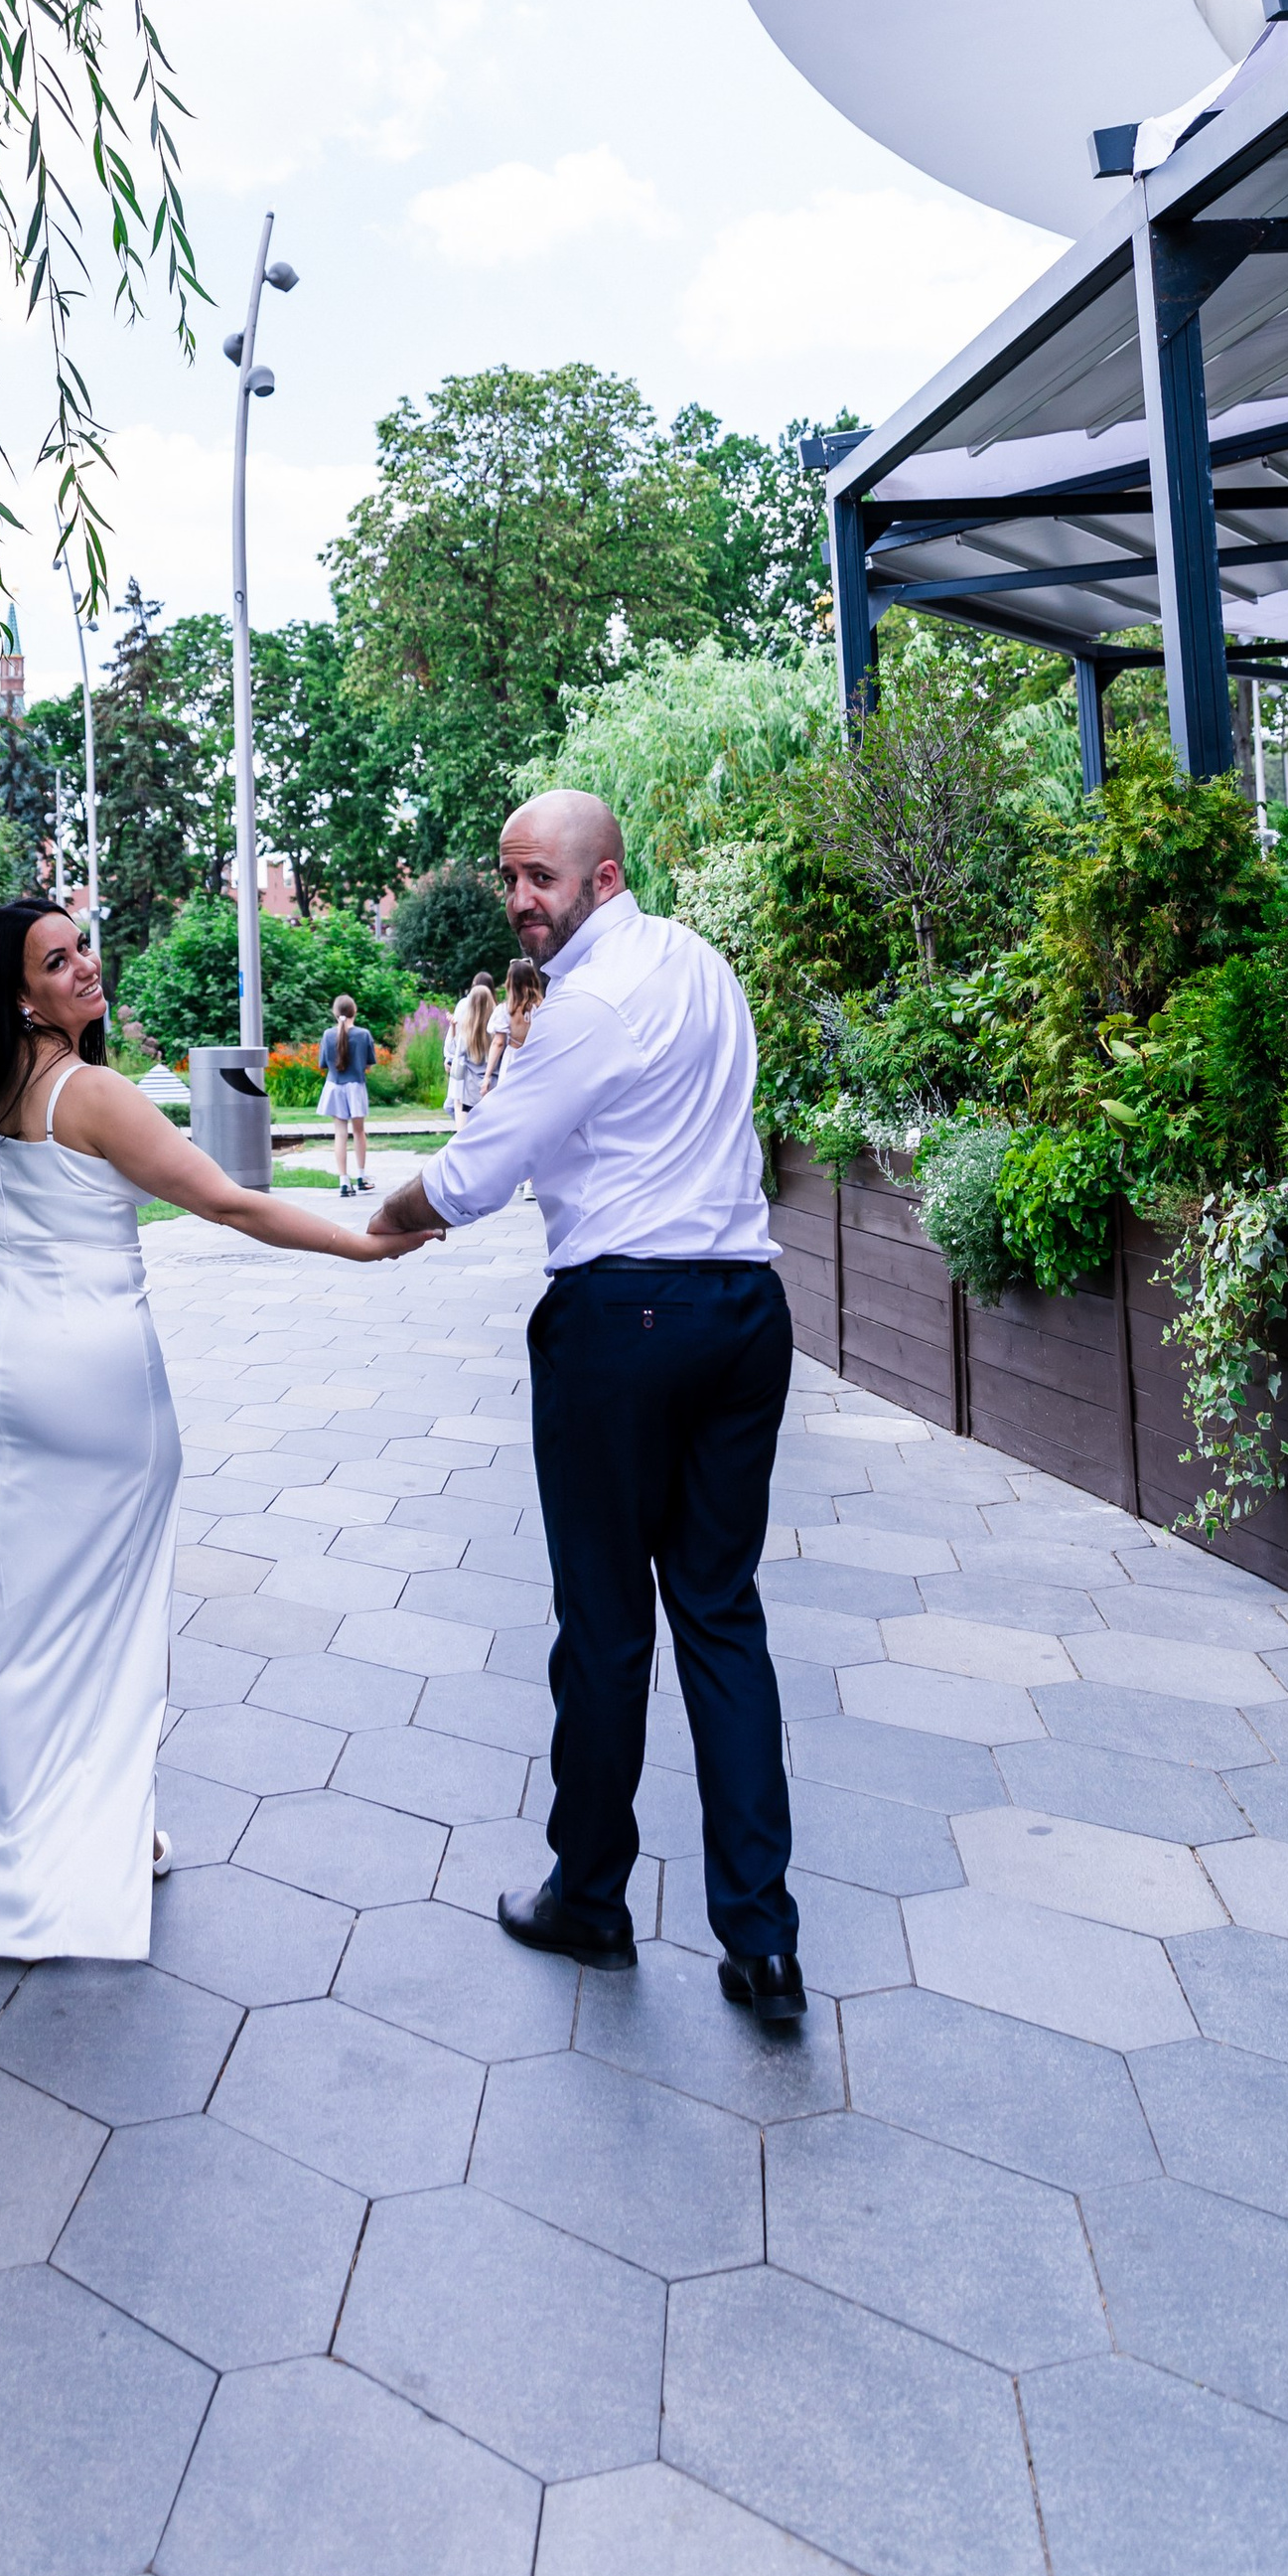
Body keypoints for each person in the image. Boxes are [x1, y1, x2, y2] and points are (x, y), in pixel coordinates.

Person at [0, 896, 422, 1964]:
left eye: (80, 945)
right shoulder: (94, 1094)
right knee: (88, 1622)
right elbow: (229, 1203)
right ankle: (77, 1839)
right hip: (79, 1376)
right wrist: (361, 1245)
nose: (85, 965)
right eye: (56, 959)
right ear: (20, 993)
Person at [368, 794, 803, 2026]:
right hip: (742, 1310)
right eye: (510, 877)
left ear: (603, 877)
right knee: (720, 1616)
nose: (520, 900)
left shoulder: (586, 1008)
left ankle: (591, 1900)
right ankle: (761, 1945)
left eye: (541, 879)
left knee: (607, 1627)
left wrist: (378, 1225)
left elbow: (475, 1172)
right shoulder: (701, 965)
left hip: (626, 1322)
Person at [320, 990, 378, 1194]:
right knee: (359, 1131)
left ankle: (344, 1181)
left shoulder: (328, 1035)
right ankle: (361, 1176)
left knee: (340, 1133)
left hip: (334, 1086)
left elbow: (323, 1064)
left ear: (335, 1013)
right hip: (356, 1086)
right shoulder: (363, 1035)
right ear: (355, 1011)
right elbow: (369, 1064)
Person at [481, 954, 545, 1100]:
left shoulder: (505, 1011)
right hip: (537, 1059)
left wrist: (487, 1076)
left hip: (513, 1059)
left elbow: (498, 1042)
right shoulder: (543, 1008)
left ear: (510, 982)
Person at [449, 970, 497, 1124]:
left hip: (469, 1090)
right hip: (492, 1087)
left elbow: (454, 1051)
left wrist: (454, 1029)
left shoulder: (466, 1032)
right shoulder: (497, 1030)